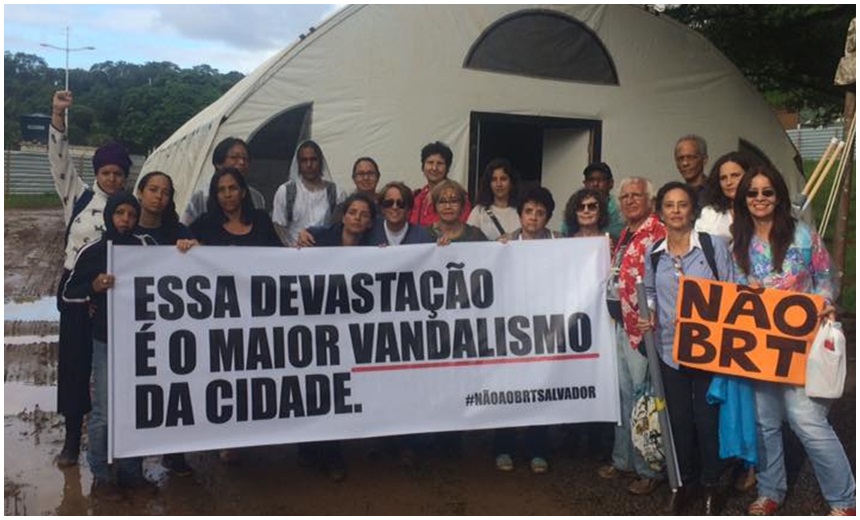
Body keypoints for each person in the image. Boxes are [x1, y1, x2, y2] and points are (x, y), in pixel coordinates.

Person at [732, 164, 856, 516]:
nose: (759, 199)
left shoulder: (803, 235)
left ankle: (845, 500)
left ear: (779, 196)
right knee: (764, 422)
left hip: (800, 345)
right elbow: (728, 287)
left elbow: (826, 277)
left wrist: (826, 303)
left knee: (808, 421)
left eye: (767, 192)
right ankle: (771, 490)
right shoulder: (736, 240)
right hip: (756, 347)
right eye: (752, 192)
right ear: (744, 198)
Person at [49, 89, 133, 468]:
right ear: (97, 174)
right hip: (77, 293)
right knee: (75, 364)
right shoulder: (77, 198)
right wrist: (58, 117)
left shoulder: (129, 208)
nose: (112, 179)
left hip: (115, 297)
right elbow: (60, 160)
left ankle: (114, 437)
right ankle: (70, 439)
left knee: (115, 368)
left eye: (118, 174)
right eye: (106, 173)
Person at [642, 181, 734, 515]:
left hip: (708, 350)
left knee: (707, 420)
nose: (677, 211)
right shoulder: (654, 253)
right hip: (670, 350)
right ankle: (682, 483)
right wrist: (648, 312)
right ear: (661, 212)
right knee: (678, 421)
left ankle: (712, 483)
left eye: (683, 204)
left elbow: (730, 290)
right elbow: (649, 291)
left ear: (692, 210)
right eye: (670, 205)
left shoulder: (712, 247)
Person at [62, 192, 158, 500]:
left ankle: (131, 472)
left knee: (135, 407)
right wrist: (93, 287)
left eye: (131, 214)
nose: (126, 220)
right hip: (106, 339)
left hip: (141, 340)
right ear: (110, 217)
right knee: (103, 410)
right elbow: (68, 293)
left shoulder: (146, 247)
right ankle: (101, 476)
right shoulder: (93, 250)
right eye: (120, 214)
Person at [298, 192, 377, 481]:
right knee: (315, 385)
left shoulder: (374, 248)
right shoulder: (320, 236)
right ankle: (313, 448)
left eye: (364, 214)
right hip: (315, 326)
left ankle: (331, 454)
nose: (357, 218)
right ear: (343, 216)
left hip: (350, 330)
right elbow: (298, 248)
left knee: (338, 389)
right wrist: (302, 237)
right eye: (352, 212)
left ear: (370, 223)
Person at [597, 177, 666, 496]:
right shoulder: (626, 233)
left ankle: (648, 467)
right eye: (624, 196)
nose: (630, 201)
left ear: (649, 200)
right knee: (623, 395)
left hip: (641, 328)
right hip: (621, 326)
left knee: (643, 398)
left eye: (636, 195)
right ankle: (623, 459)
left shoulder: (657, 233)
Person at [133, 171, 198, 476]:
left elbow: (198, 269)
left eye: (166, 192)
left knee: (175, 388)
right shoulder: (123, 229)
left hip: (171, 325)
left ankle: (175, 452)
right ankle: (131, 458)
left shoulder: (178, 231)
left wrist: (193, 251)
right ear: (141, 192)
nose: (159, 196)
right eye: (153, 190)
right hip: (134, 325)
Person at [493, 186, 559, 474]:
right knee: (507, 387)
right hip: (511, 328)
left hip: (546, 328)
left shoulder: (561, 243)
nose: (533, 217)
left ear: (548, 217)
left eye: (540, 213)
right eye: (528, 211)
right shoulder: (503, 245)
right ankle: (503, 446)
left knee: (540, 387)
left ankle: (537, 449)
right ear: (519, 215)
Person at [272, 140, 346, 245]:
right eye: (304, 160)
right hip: (294, 253)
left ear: (321, 162)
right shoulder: (285, 192)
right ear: (298, 163)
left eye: (313, 159)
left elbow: (339, 229)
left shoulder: (337, 193)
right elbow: (279, 226)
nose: (309, 165)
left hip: (326, 253)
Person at [180, 137, 266, 225]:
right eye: (234, 157)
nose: (241, 162)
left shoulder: (256, 197)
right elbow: (185, 229)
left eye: (245, 158)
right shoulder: (202, 196)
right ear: (218, 163)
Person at [190, 167, 282, 248]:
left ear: (243, 193)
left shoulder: (262, 220)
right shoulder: (205, 223)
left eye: (232, 188)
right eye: (221, 190)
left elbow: (278, 253)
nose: (227, 194)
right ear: (215, 195)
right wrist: (188, 244)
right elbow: (183, 245)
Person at [695, 151, 756, 241]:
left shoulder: (761, 209)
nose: (729, 182)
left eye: (735, 175)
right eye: (723, 178)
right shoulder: (710, 213)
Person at [409, 141, 472, 227]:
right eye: (430, 162)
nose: (434, 168)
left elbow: (462, 229)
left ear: (447, 168)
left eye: (440, 163)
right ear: (423, 167)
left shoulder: (458, 195)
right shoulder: (416, 196)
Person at [561, 162, 623, 240]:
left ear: (611, 183)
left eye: (601, 179)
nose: (595, 184)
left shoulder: (619, 208)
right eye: (591, 180)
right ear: (585, 183)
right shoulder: (568, 239)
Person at [466, 158, 521, 240]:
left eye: (503, 179)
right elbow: (469, 242)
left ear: (511, 182)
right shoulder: (479, 212)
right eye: (494, 180)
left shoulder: (522, 211)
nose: (499, 184)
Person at [367, 181, 434, 245]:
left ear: (408, 208)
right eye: (389, 203)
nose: (395, 207)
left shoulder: (422, 236)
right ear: (382, 208)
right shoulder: (369, 234)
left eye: (401, 204)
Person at [426, 179, 487, 244]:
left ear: (462, 205)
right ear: (435, 206)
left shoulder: (475, 235)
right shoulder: (425, 235)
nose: (448, 206)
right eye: (442, 202)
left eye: (453, 201)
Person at [674, 134, 709, 209]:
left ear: (704, 160)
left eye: (691, 157)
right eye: (680, 159)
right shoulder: (675, 194)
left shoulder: (717, 190)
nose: (685, 163)